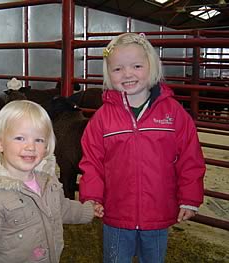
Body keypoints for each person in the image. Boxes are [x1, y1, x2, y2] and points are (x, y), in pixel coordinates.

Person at [79, 32, 206, 263]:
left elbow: (190, 157)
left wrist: (189, 197)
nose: (127, 74)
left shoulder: (173, 113)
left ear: (152, 66)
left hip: (158, 212)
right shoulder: (102, 118)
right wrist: (92, 197)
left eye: (136, 66)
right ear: (109, 74)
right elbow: (92, 162)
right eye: (117, 69)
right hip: (116, 214)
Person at [0, 100, 104, 263]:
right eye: (20, 138)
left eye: (39, 140)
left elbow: (60, 207)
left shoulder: (46, 180)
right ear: (0, 143)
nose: (30, 146)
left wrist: (87, 211)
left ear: (47, 146)